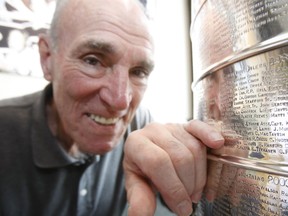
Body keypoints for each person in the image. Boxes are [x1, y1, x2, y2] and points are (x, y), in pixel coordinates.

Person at [0, 0, 225, 215]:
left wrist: (193, 173)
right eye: (92, 61)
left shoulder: (139, 125)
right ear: (47, 58)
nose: (120, 101)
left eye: (138, 71)